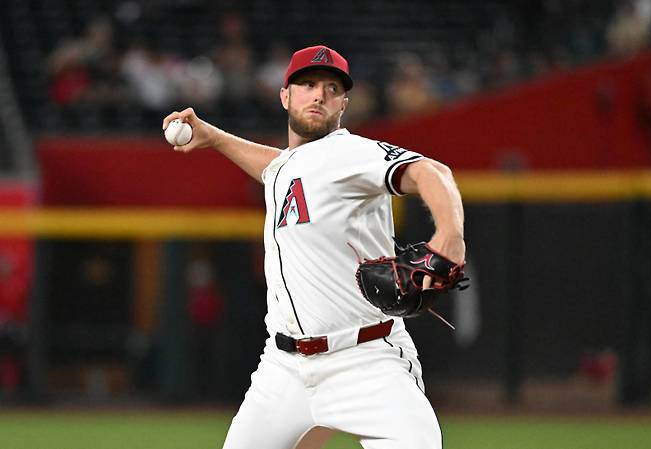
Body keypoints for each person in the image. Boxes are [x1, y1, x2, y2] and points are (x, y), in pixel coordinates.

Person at [163, 45, 465, 449]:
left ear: (344, 103)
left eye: (331, 88)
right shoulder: (287, 167)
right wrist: (215, 137)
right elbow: (277, 168)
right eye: (306, 85)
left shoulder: (352, 153)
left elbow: (431, 171)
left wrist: (450, 235)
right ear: (285, 96)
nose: (319, 94)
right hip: (283, 369)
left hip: (366, 360)